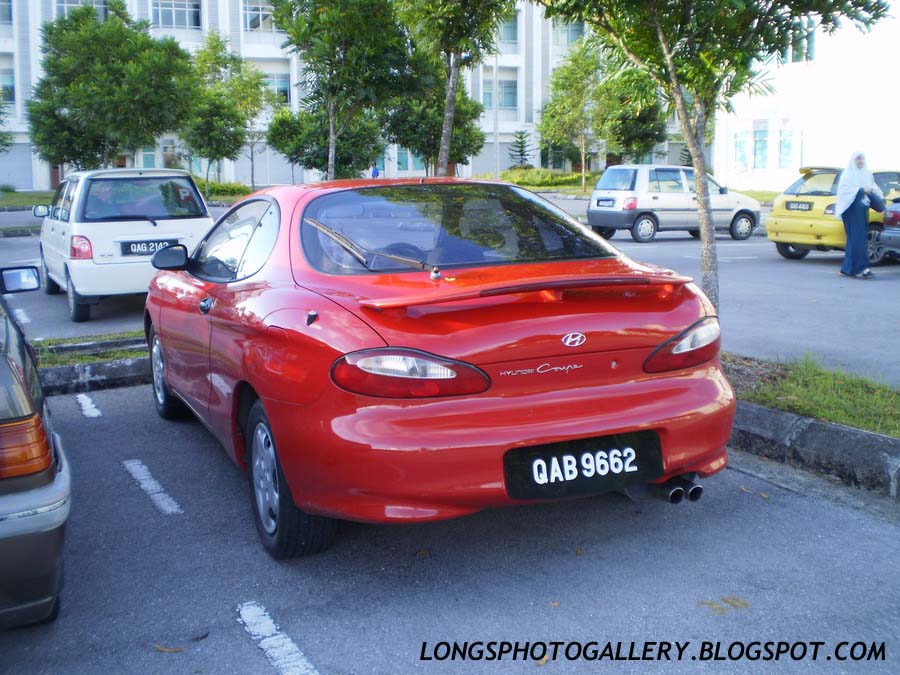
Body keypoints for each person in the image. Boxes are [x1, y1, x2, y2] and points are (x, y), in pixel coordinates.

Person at [835, 151, 882, 279]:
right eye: (858, 159)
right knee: (858, 239)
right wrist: (861, 190)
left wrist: (879, 198)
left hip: (863, 209)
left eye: (862, 158)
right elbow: (845, 191)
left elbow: (873, 187)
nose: (861, 161)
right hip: (851, 210)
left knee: (856, 240)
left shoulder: (867, 173)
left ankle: (847, 269)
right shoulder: (848, 174)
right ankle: (863, 268)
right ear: (853, 160)